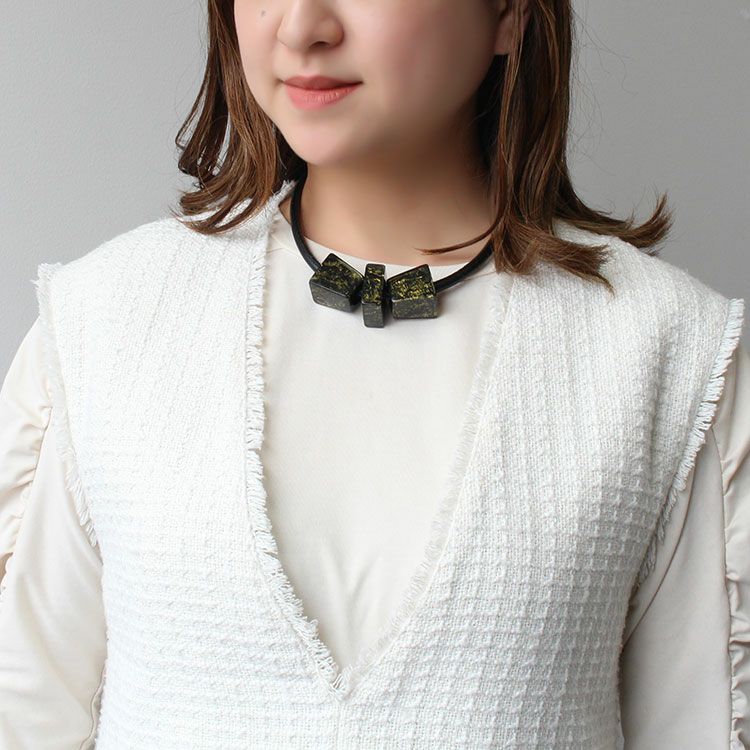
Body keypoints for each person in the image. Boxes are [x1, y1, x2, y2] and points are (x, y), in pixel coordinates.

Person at [1, 0, 748, 747]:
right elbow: (28, 711)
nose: (301, 28)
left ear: (508, 14)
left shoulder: (667, 350)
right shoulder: (105, 321)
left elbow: (694, 726)